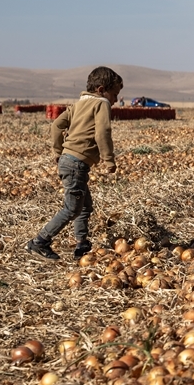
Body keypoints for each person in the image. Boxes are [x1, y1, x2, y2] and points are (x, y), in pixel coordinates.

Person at [26, 66, 122, 261]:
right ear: (101, 89)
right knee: (72, 208)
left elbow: (56, 125)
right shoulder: (101, 103)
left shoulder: (78, 104)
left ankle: (82, 244)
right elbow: (103, 131)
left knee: (84, 206)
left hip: (69, 161)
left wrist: (57, 150)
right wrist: (108, 158)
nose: (116, 99)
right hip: (77, 163)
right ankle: (40, 241)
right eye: (115, 94)